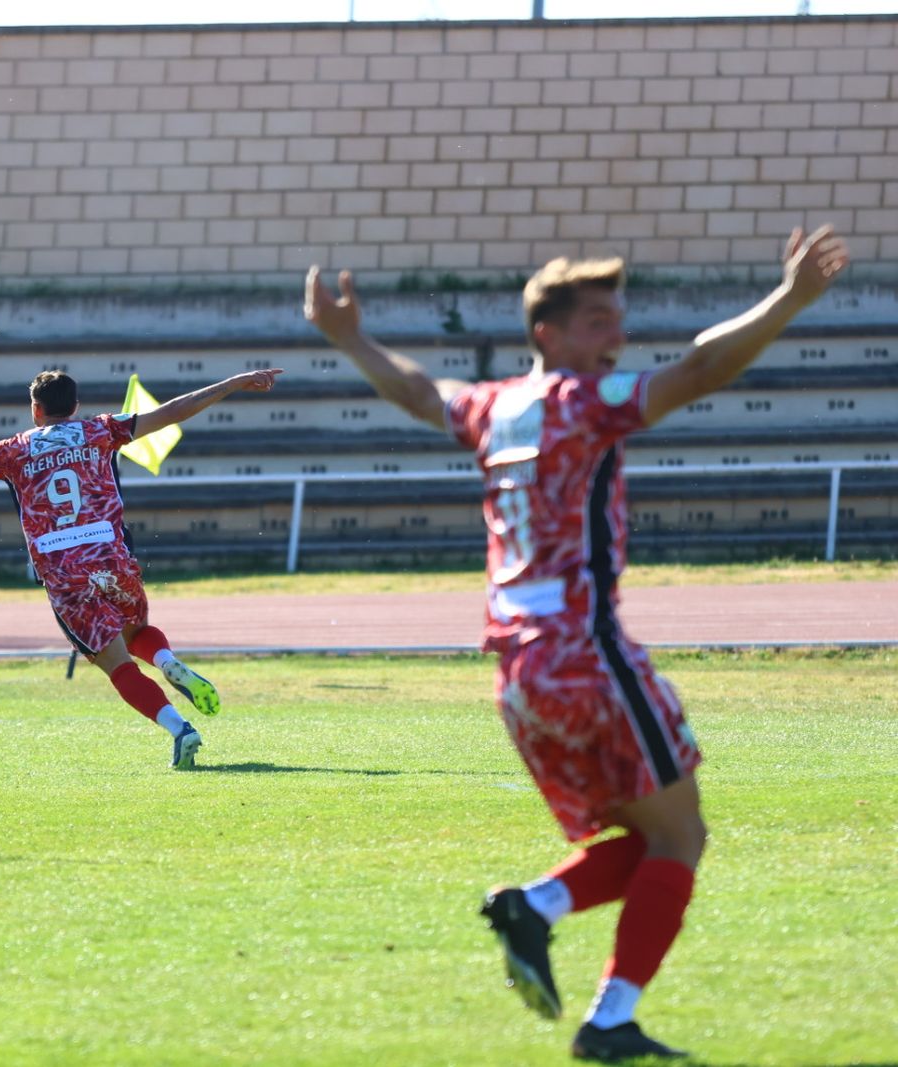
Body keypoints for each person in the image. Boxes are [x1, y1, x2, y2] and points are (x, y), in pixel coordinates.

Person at [305, 226, 849, 1061]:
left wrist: (349, 339)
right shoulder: (579, 404)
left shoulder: (491, 409)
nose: (616, 337)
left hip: (519, 675)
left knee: (652, 838)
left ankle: (543, 918)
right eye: (598, 322)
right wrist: (792, 299)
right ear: (547, 334)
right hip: (586, 655)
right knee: (681, 838)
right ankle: (607, 1014)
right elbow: (701, 370)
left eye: (616, 320)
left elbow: (421, 393)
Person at [0, 367, 282, 769]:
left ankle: (180, 729)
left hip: (62, 567)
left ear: (35, 410)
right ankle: (167, 660)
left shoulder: (13, 450)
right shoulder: (101, 430)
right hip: (112, 554)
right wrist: (234, 382)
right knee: (137, 631)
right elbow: (171, 412)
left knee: (115, 663)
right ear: (76, 406)